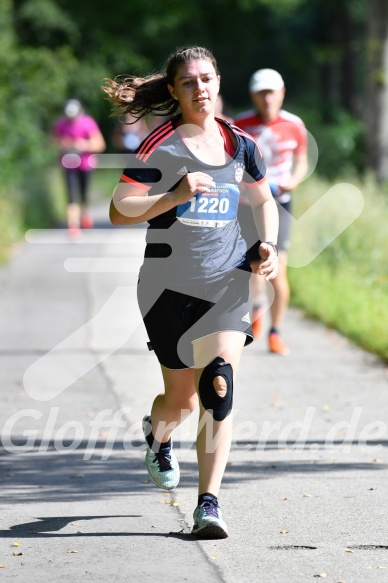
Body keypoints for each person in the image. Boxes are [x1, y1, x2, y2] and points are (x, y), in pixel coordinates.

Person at [102, 46, 279, 539]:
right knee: (179, 403)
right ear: (175, 91)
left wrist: (268, 245)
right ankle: (158, 436)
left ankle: (209, 504)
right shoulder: (161, 144)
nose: (199, 88)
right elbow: (119, 210)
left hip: (226, 282)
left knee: (217, 387)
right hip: (166, 287)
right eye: (188, 82)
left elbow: (263, 199)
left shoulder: (241, 144)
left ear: (218, 82)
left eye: (206, 79)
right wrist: (175, 195)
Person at [235, 69, 308, 355]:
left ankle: (275, 332)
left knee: (278, 269)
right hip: (247, 203)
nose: (267, 99)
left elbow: (301, 160)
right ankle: (256, 309)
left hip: (280, 202)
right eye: (261, 93)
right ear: (254, 95)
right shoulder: (240, 124)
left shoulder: (294, 125)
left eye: (271, 92)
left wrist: (294, 181)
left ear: (282, 93)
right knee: (252, 267)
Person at [52, 99, 106, 236]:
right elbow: (54, 141)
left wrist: (84, 145)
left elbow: (100, 144)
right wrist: (64, 144)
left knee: (84, 193)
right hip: (69, 164)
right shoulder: (61, 124)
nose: (72, 119)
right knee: (71, 195)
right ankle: (73, 224)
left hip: (85, 164)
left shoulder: (88, 123)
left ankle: (85, 214)